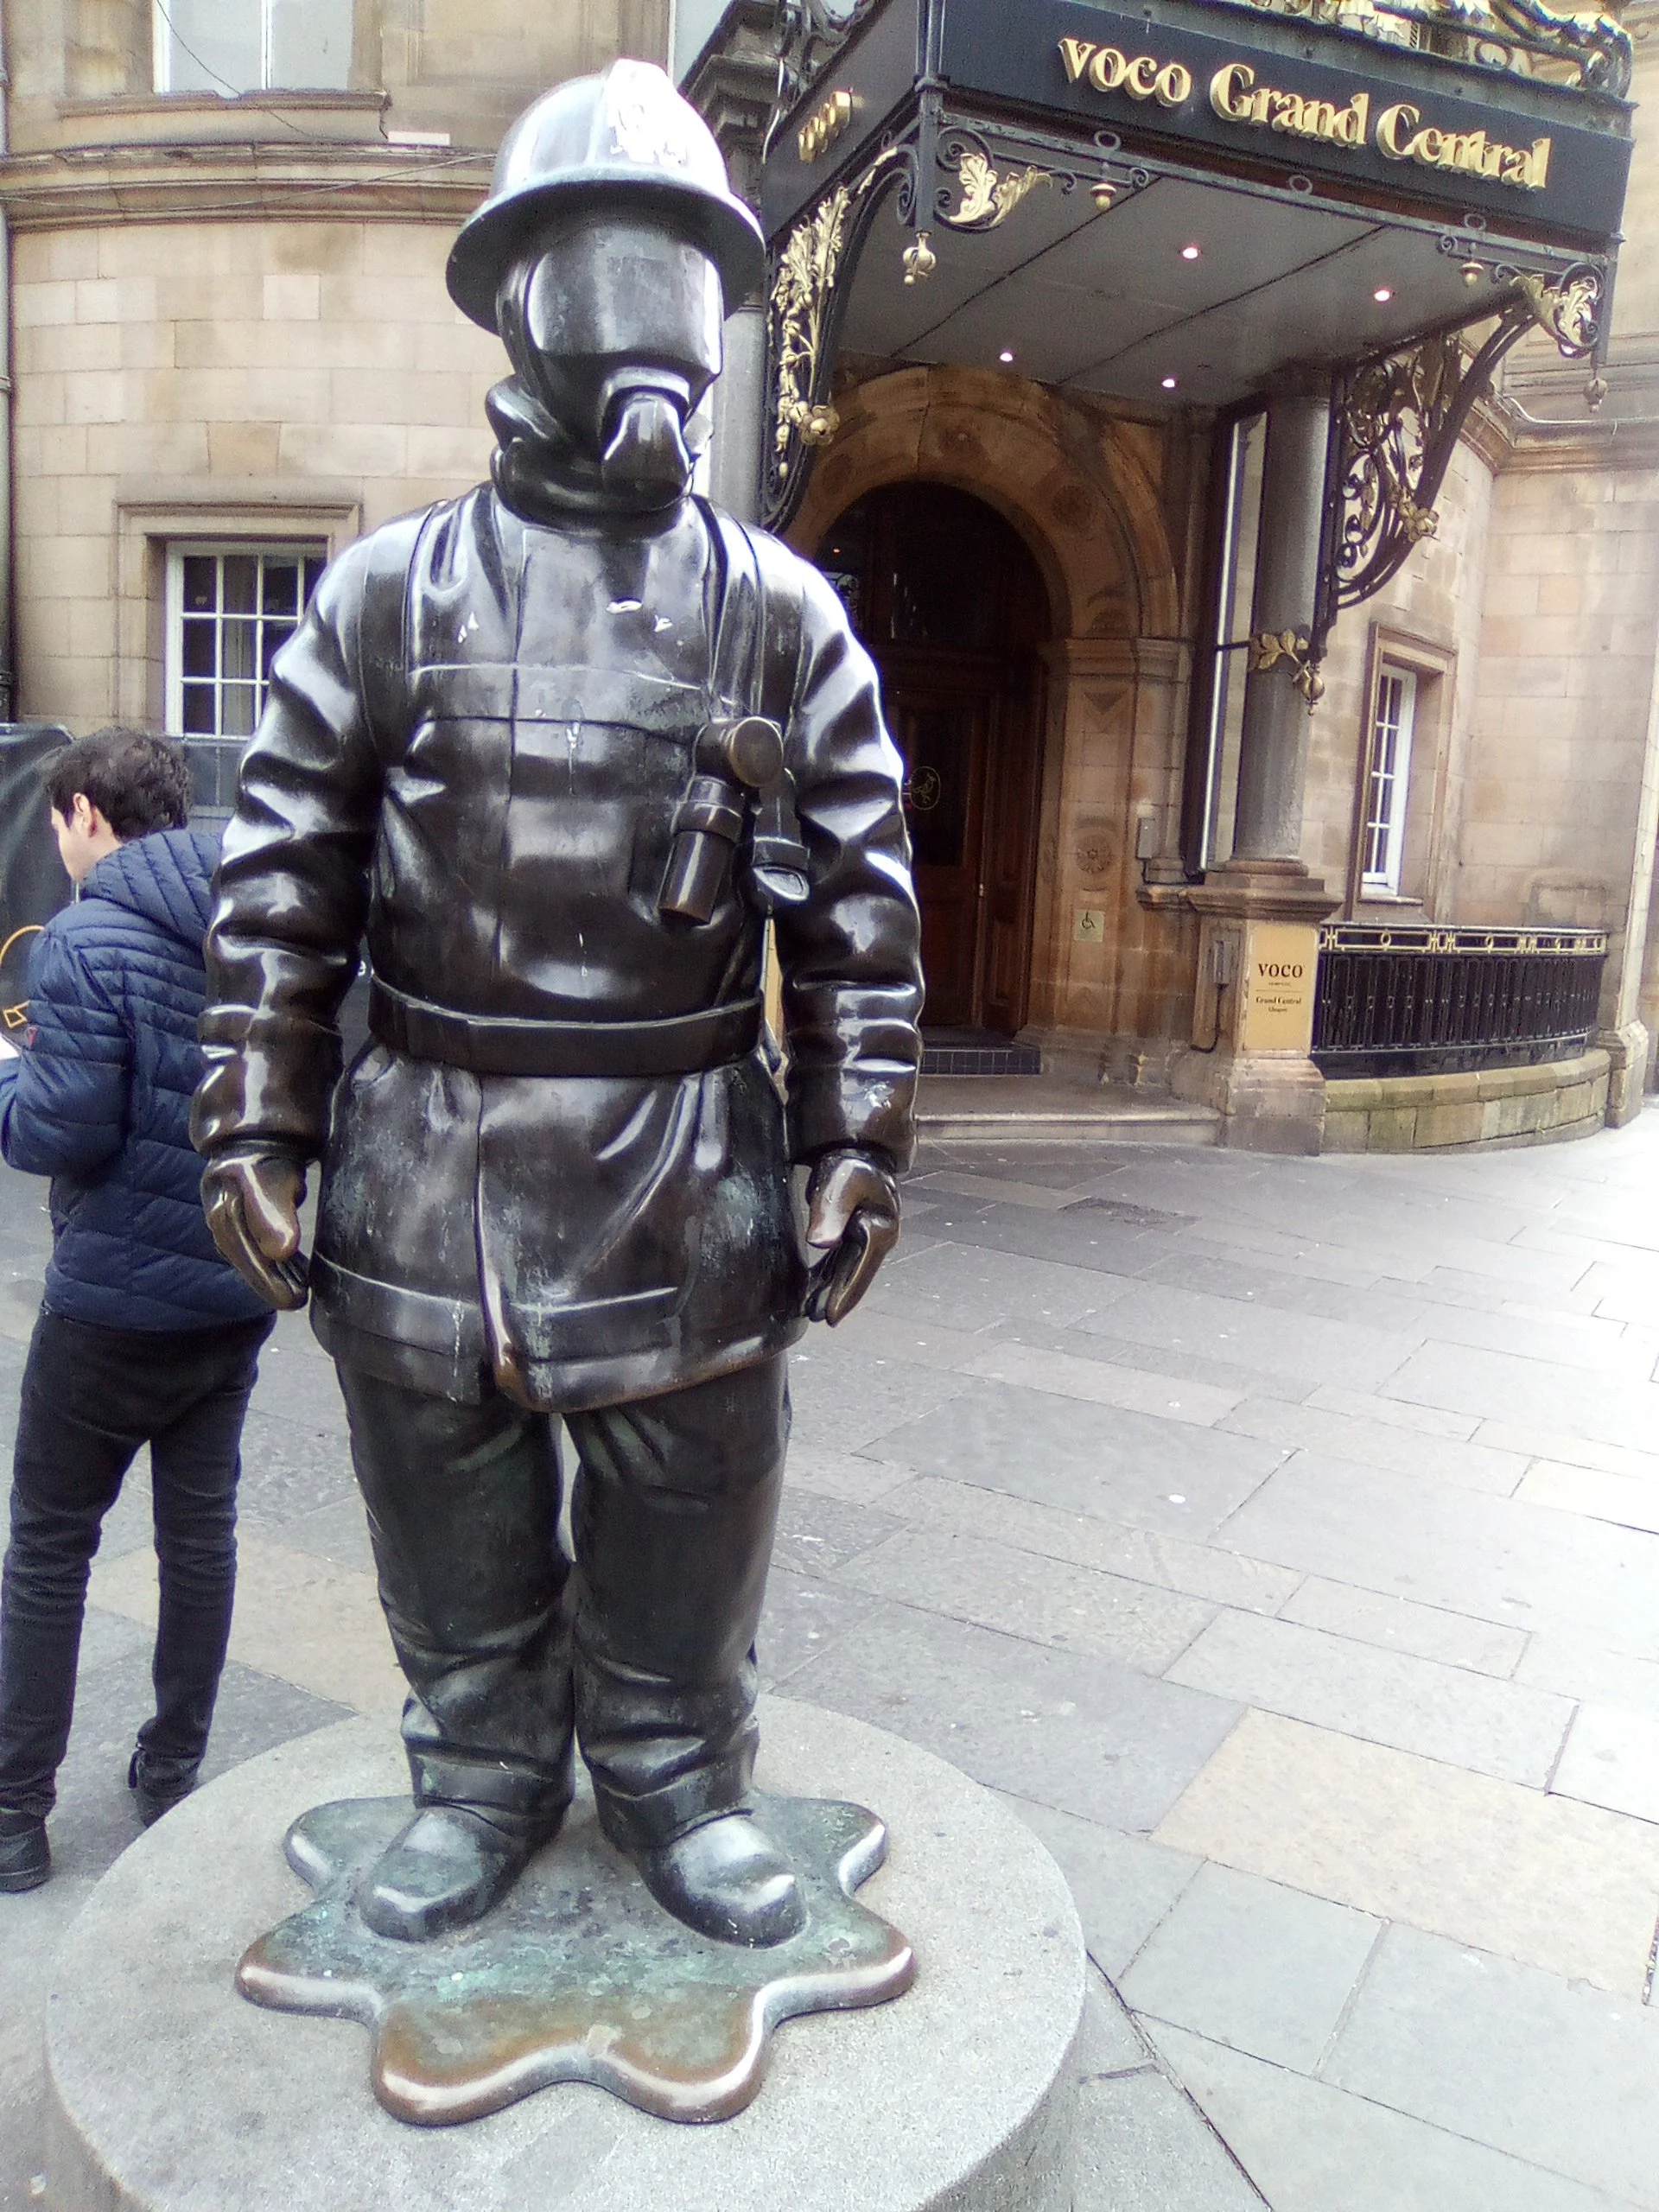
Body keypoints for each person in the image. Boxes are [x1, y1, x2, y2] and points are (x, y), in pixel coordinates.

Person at [192, 60, 923, 1950]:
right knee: (444, 1489)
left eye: (676, 268)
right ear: (526, 297)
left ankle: (680, 1774)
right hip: (427, 1143)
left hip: (688, 1148)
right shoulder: (382, 595)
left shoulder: (781, 614)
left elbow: (859, 908)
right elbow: (285, 886)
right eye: (608, 268)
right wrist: (253, 1121)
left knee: (695, 1483)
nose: (645, 325)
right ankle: (486, 1773)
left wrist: (856, 1138)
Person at [0, 729, 273, 1894]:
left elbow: (56, 1134)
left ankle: (14, 1820)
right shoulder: (252, 925)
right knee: (197, 1536)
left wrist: (10, 1070)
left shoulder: (81, 940)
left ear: (83, 814)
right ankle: (171, 1769)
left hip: (109, 1306)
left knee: (49, 1553)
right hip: (228, 1289)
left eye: (58, 825)